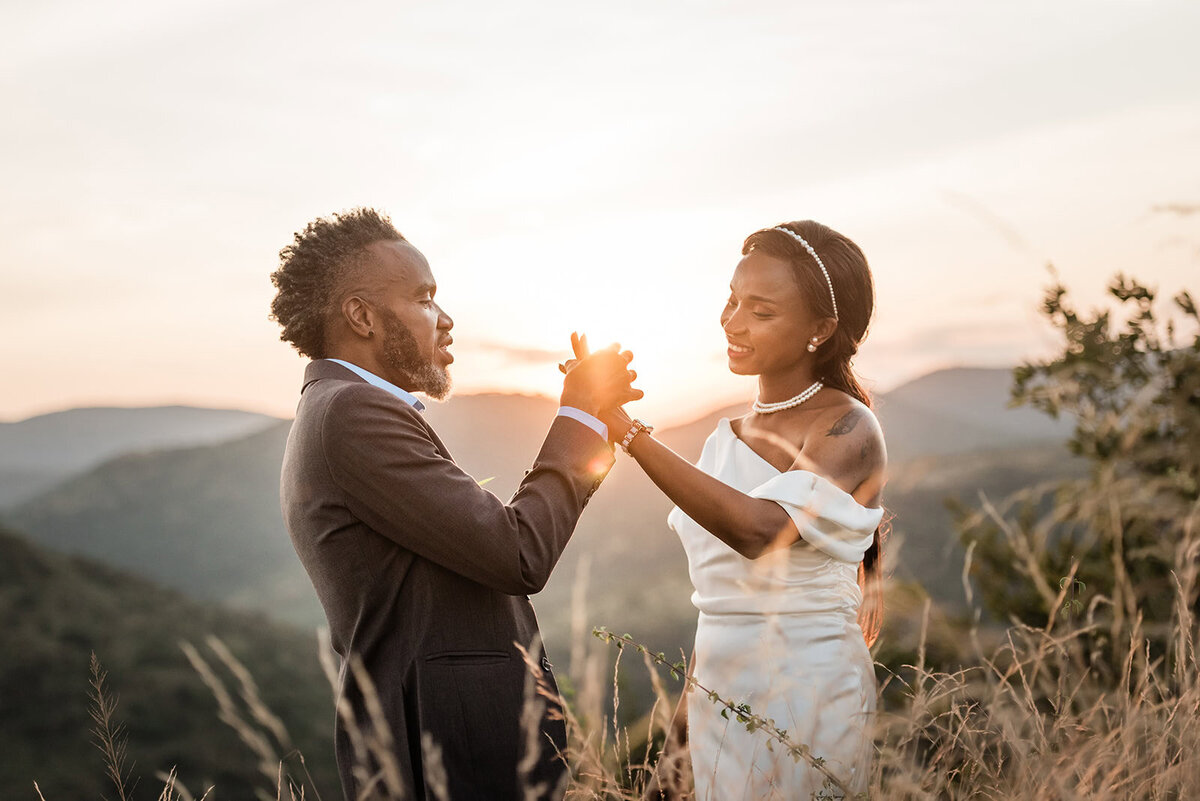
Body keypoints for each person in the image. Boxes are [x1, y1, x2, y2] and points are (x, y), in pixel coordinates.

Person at [269, 208, 641, 800]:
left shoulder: (338, 407)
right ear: (361, 315)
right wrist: (577, 416)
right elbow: (516, 552)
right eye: (424, 299)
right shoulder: (352, 413)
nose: (446, 320)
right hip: (442, 751)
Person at [589, 220, 888, 799]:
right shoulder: (722, 442)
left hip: (810, 692)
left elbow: (760, 530)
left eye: (761, 310)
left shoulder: (847, 427)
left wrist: (627, 431)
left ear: (820, 330)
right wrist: (676, 751)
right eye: (731, 300)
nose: (732, 321)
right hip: (718, 695)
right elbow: (720, 608)